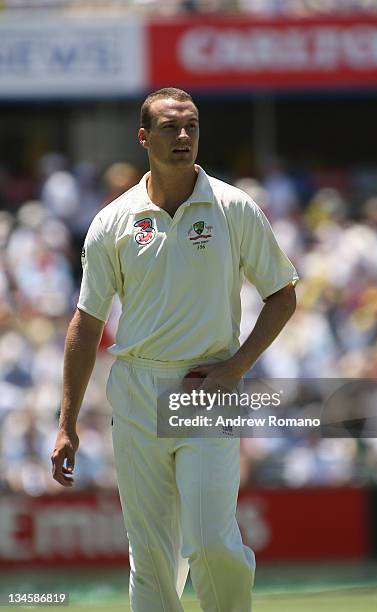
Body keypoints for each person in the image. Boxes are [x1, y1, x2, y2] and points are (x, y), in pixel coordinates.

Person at [51, 88, 298, 612]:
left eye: (191, 126)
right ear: (144, 137)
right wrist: (66, 424)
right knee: (152, 559)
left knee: (211, 542)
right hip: (138, 388)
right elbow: (86, 323)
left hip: (207, 388)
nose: (183, 136)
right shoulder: (112, 222)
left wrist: (234, 369)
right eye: (169, 127)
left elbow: (282, 295)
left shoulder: (233, 207)